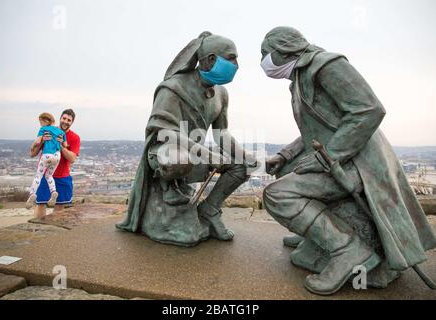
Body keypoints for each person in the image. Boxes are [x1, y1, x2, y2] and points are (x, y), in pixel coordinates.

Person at [260, 26, 436, 295]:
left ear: (284, 49)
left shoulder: (326, 65)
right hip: (339, 158)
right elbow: (316, 129)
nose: (263, 61)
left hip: (357, 165)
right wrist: (284, 154)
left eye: (265, 53)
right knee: (285, 169)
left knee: (276, 195)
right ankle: (317, 238)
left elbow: (369, 109)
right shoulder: (300, 77)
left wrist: (328, 157)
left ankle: (347, 250)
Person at [116, 32, 257, 246]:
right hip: (165, 153)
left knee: (242, 166)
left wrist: (245, 156)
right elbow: (165, 131)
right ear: (210, 59)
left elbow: (221, 134)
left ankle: (209, 211)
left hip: (195, 152)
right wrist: (207, 154)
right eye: (231, 58)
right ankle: (169, 191)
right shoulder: (173, 87)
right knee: (178, 158)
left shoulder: (222, 94)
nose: (236, 64)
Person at [29, 109, 81, 219]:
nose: (66, 121)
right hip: (45, 174)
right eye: (64, 118)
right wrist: (42, 140)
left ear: (72, 122)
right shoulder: (48, 130)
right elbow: (32, 153)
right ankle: (38, 231)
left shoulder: (75, 138)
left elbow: (72, 159)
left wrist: (61, 145)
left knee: (59, 207)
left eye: (69, 120)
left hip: (63, 176)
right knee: (41, 204)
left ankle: (53, 233)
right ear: (60, 118)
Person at [26, 112, 66, 209]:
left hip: (47, 155)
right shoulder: (61, 131)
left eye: (41, 122)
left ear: (46, 121)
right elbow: (65, 144)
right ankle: (53, 192)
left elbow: (38, 141)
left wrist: (32, 146)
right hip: (57, 156)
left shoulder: (43, 129)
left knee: (38, 176)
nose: (40, 124)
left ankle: (32, 194)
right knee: (49, 175)